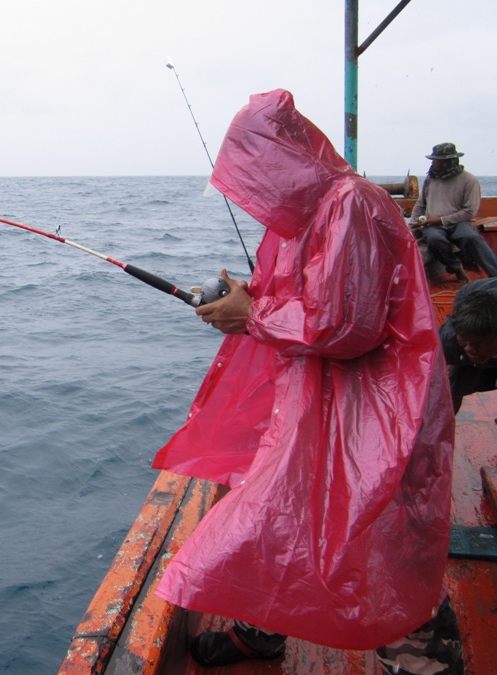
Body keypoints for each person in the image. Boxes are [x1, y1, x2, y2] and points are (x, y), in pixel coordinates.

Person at [151, 90, 462, 673]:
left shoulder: (351, 203)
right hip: (319, 402)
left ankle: (423, 657)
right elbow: (307, 302)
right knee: (281, 510)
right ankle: (262, 630)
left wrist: (253, 315)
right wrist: (248, 301)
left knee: (380, 531)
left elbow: (350, 323)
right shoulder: (305, 217)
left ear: (280, 160)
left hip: (375, 410)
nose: (253, 197)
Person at [409, 142, 497, 281]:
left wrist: (441, 220)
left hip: (459, 223)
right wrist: (414, 221)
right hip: (433, 225)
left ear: (448, 162)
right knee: (435, 239)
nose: (433, 163)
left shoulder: (469, 180)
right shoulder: (430, 179)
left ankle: (494, 274)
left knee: (471, 238)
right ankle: (456, 268)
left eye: (436, 160)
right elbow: (421, 203)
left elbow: (469, 212)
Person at [440, 277, 497, 413]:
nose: (469, 348)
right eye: (464, 340)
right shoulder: (448, 341)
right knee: (450, 386)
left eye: (478, 343)